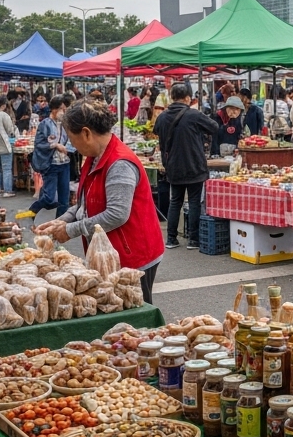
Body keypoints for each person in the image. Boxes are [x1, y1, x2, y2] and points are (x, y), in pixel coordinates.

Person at [36, 101, 165, 303]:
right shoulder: (94, 156)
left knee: (135, 319)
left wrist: (70, 230)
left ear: (86, 133)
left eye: (72, 139)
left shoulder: (119, 163)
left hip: (134, 254)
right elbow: (84, 203)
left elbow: (117, 214)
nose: (72, 146)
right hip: (110, 253)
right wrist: (63, 221)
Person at [154, 83, 220, 250]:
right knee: (194, 201)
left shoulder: (162, 117)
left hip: (173, 166)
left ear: (171, 97)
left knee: (175, 201)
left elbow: (157, 132)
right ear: (187, 98)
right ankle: (193, 240)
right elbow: (214, 127)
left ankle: (171, 238)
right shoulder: (194, 114)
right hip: (194, 164)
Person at [17, 94, 73, 224]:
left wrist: (70, 148)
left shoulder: (65, 124)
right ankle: (32, 210)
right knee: (49, 197)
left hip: (64, 163)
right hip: (51, 164)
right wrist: (54, 145)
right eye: (62, 109)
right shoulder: (45, 124)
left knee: (64, 200)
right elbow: (39, 144)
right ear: (54, 109)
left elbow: (70, 140)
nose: (64, 112)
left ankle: (59, 225)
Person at [0, 95, 19, 198]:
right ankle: (7, 190)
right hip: (3, 144)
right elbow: (10, 131)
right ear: (3, 105)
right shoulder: (3, 115)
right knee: (6, 168)